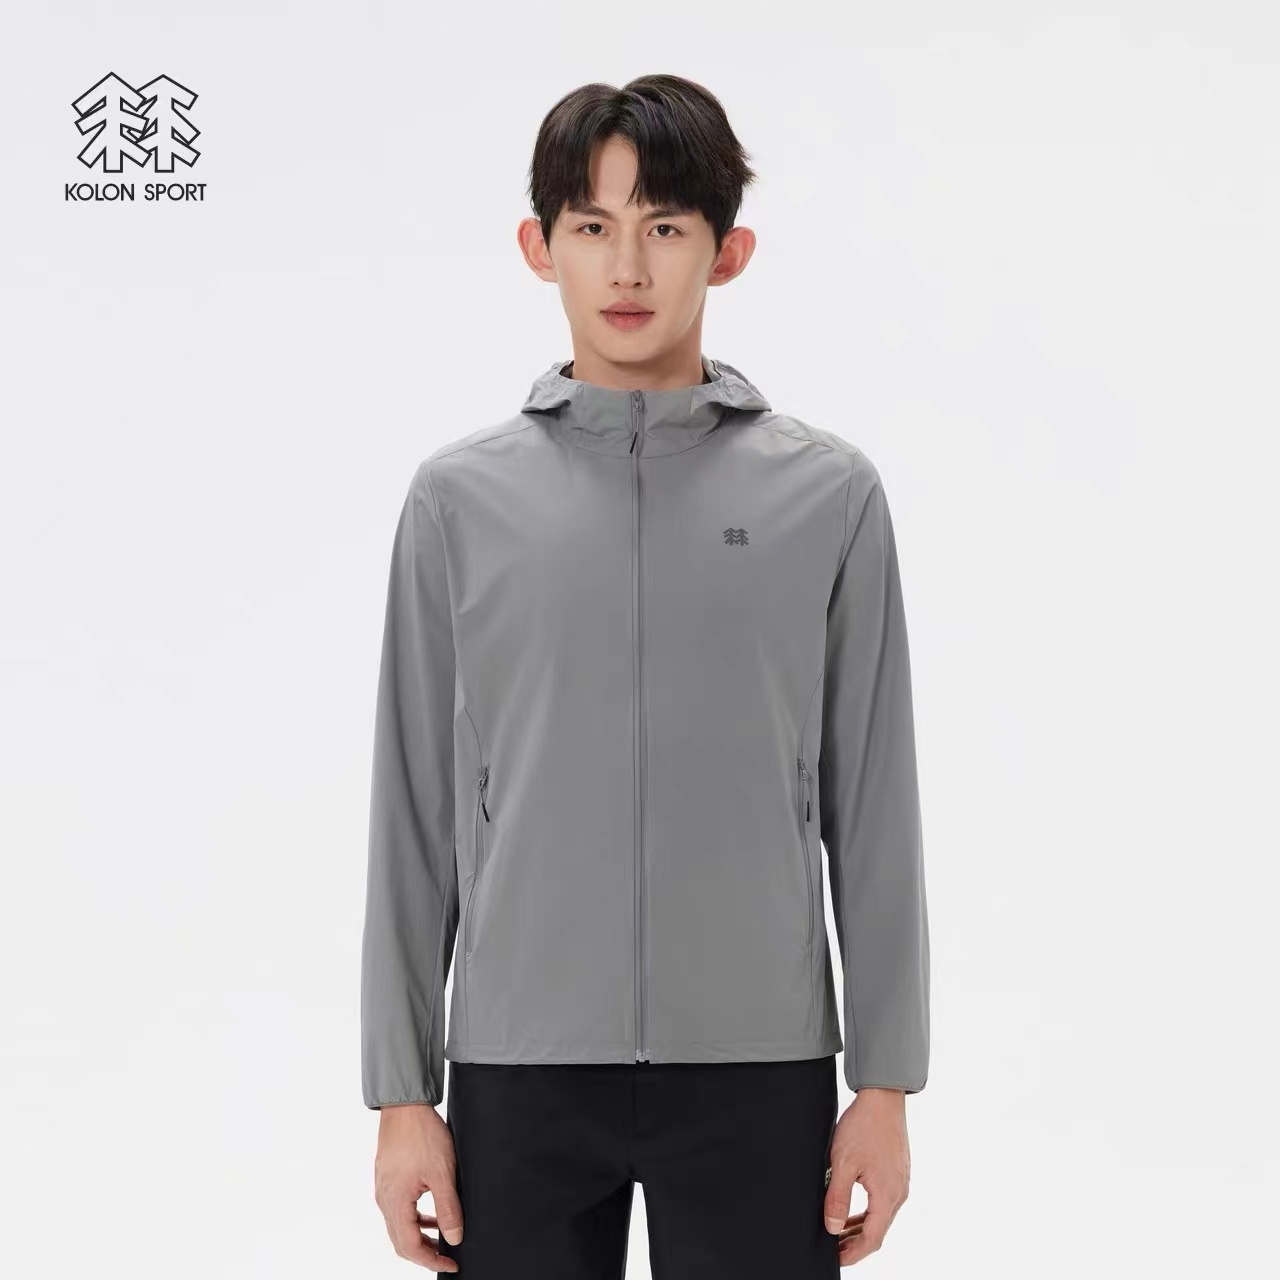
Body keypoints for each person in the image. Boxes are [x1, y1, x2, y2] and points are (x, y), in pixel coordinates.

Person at [360, 73, 930, 1277]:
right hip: (516, 1065)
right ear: (539, 248)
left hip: (758, 1065)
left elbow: (873, 801)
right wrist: (401, 1093)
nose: (627, 267)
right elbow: (412, 811)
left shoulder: (826, 496)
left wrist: (882, 1082)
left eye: (665, 226)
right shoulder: (457, 501)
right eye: (592, 226)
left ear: (727, 252)